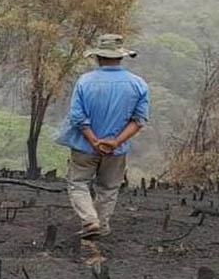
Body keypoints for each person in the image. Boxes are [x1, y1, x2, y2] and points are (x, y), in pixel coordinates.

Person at [54, 34, 149, 239]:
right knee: (108, 187)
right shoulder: (137, 84)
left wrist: (93, 140)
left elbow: (77, 117)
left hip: (84, 147)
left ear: (98, 57)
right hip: (117, 150)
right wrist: (115, 141)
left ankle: (90, 220)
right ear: (121, 56)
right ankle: (102, 225)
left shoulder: (85, 82)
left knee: (78, 183)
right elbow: (139, 120)